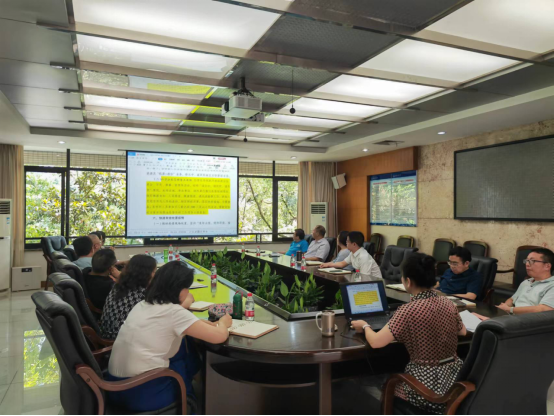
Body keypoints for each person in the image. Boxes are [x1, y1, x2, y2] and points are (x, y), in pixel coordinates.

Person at [107, 262, 232, 413]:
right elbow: (219, 336)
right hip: (141, 392)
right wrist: (223, 323)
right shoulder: (174, 312)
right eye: (187, 288)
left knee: (183, 345)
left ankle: (198, 382)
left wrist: (201, 324)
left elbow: (177, 324)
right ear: (180, 290)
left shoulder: (142, 304)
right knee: (182, 356)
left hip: (115, 387)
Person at [352, 253, 466, 414]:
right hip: (455, 384)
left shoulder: (408, 310)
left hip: (425, 388)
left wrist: (364, 326)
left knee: (388, 383)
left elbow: (376, 342)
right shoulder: (448, 303)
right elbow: (462, 331)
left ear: (408, 281)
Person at [497, 248, 554, 315]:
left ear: (547, 266)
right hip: (512, 317)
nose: (527, 264)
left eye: (532, 261)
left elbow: (544, 309)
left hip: (530, 320)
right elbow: (512, 299)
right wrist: (506, 307)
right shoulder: (526, 282)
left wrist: (510, 309)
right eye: (527, 261)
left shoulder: (551, 285)